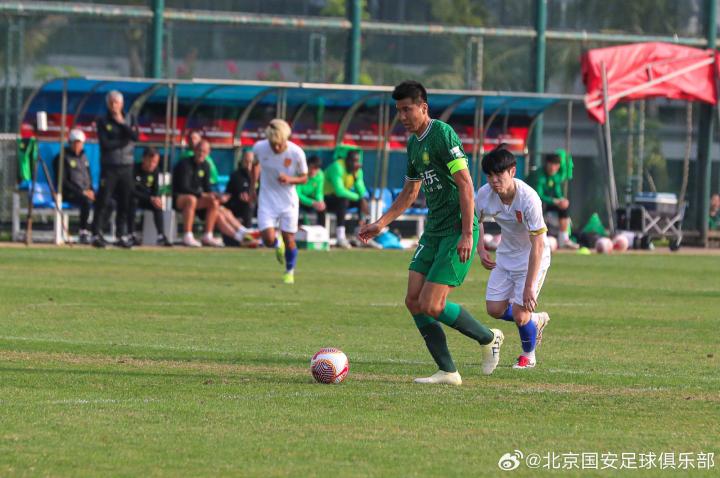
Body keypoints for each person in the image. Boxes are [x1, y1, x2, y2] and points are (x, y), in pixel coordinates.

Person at [359, 80, 503, 385]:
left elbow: (465, 184)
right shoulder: (413, 144)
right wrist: (381, 223)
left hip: (456, 230)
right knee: (413, 300)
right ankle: (448, 371)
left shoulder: (442, 134)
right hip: (434, 230)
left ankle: (489, 338)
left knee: (432, 305)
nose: (402, 116)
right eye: (398, 111)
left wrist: (468, 234)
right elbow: (410, 193)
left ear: (423, 108)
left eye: (407, 109)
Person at [475, 145, 551, 370]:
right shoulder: (484, 194)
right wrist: (481, 249)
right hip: (506, 256)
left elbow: (538, 244)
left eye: (499, 174)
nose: (494, 180)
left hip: (533, 259)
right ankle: (535, 320)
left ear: (512, 171)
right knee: (494, 309)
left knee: (519, 315)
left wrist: (529, 286)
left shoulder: (529, 198)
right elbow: (476, 220)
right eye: (489, 175)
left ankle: (528, 356)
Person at [251, 119, 308, 284]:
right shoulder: (259, 147)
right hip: (267, 199)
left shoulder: (296, 153)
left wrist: (290, 179)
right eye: (272, 144)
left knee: (289, 239)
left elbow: (304, 178)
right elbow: (255, 165)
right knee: (267, 239)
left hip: (288, 202)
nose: (276, 147)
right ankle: (277, 244)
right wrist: (252, 187)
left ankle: (289, 271)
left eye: (279, 144)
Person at [92, 90, 138, 248]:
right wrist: (123, 141)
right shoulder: (103, 121)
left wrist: (122, 124)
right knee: (104, 200)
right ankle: (96, 233)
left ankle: (121, 234)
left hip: (127, 166)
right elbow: (106, 144)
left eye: (116, 102)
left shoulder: (130, 119)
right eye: (111, 103)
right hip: (110, 166)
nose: (114, 106)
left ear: (122, 104)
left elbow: (135, 136)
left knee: (125, 202)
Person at [173, 139, 225, 247]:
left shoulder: (206, 165)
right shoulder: (185, 164)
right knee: (191, 199)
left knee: (214, 201)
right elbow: (183, 187)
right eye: (199, 150)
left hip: (196, 199)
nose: (201, 153)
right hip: (178, 198)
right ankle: (187, 235)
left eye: (204, 151)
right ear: (195, 150)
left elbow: (207, 187)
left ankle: (208, 236)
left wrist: (215, 195)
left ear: (208, 153)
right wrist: (201, 194)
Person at [52, 128, 94, 244]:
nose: (77, 145)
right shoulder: (61, 158)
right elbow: (63, 182)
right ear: (70, 143)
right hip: (69, 193)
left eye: (79, 143)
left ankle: (94, 230)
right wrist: (82, 192)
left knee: (108, 202)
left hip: (86, 192)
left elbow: (89, 177)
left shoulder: (84, 158)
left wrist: (91, 190)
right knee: (86, 201)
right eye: (75, 143)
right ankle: (83, 232)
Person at [324, 149, 369, 248]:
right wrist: (360, 198)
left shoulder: (357, 171)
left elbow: (362, 191)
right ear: (347, 160)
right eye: (353, 161)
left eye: (357, 161)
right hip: (326, 199)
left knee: (364, 201)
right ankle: (340, 237)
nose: (356, 164)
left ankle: (361, 234)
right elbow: (339, 191)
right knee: (343, 200)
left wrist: (355, 177)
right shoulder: (337, 167)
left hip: (342, 200)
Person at [129, 147, 172, 247]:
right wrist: (150, 198)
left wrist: (156, 198)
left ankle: (161, 236)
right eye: (150, 161)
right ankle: (131, 234)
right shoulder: (134, 169)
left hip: (148, 199)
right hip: (134, 198)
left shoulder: (156, 171)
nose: (152, 164)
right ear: (143, 159)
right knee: (133, 202)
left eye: (155, 162)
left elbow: (155, 189)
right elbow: (131, 191)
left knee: (157, 205)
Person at [535, 153, 578, 248]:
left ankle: (564, 240)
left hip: (547, 205)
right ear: (546, 164)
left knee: (563, 207)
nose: (553, 168)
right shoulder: (539, 175)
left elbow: (558, 193)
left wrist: (562, 201)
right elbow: (538, 196)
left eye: (556, 165)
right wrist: (555, 201)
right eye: (551, 164)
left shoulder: (555, 176)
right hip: (534, 205)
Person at [225, 148, 256, 228]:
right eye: (246, 161)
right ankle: (248, 229)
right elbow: (239, 192)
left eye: (251, 162)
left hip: (258, 205)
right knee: (248, 202)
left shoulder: (260, 176)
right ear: (242, 161)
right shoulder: (236, 176)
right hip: (239, 205)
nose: (249, 164)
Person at [297, 155, 326, 226]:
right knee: (295, 202)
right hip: (300, 200)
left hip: (311, 199)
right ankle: (295, 227)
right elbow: (297, 194)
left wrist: (320, 201)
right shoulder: (299, 174)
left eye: (316, 168)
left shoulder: (320, 175)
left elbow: (319, 193)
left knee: (322, 206)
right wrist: (312, 203)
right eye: (311, 168)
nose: (313, 171)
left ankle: (321, 228)